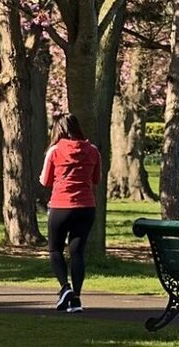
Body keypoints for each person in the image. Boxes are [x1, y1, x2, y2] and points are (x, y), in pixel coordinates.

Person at [40, 113, 102, 314]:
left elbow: (45, 181)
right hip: (86, 207)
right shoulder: (93, 151)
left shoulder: (54, 151)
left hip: (61, 205)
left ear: (58, 130)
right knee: (77, 252)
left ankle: (64, 287)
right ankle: (76, 299)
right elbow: (96, 179)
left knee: (55, 250)